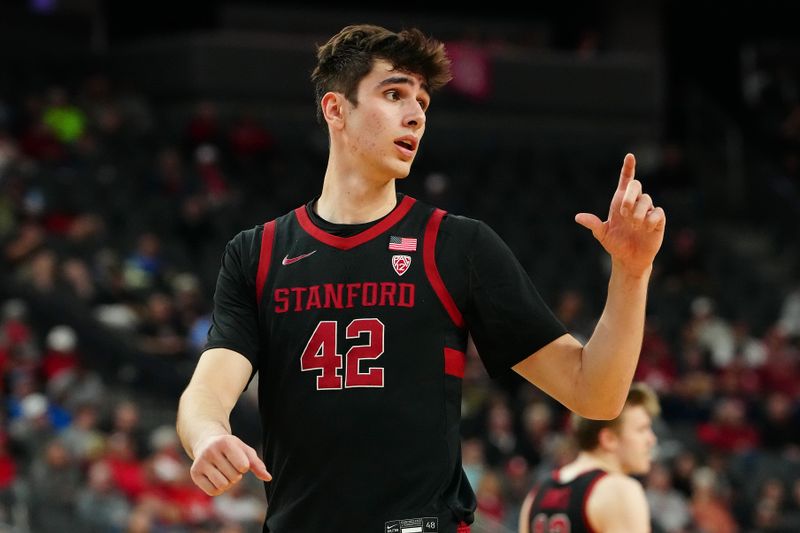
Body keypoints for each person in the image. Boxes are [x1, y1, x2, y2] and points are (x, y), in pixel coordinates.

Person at [176, 24, 666, 533]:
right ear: (335, 110)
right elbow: (206, 392)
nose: (415, 115)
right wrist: (209, 434)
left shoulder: (457, 245)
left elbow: (595, 393)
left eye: (423, 102)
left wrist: (631, 274)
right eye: (394, 94)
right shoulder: (256, 253)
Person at [518, 383, 660, 533]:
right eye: (642, 429)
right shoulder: (619, 491)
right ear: (609, 439)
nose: (651, 439)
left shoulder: (536, 494)